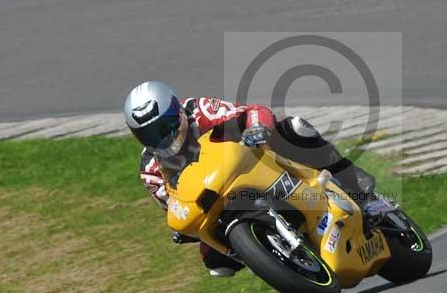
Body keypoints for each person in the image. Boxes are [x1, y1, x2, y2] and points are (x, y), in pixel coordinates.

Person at [123, 81, 380, 277]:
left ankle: (357, 189)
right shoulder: (151, 170)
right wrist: (182, 231)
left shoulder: (199, 111)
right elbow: (174, 206)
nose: (161, 138)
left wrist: (256, 128)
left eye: (163, 126)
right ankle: (278, 259)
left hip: (254, 162)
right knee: (215, 261)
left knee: (294, 128)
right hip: (218, 202)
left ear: (177, 111)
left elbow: (251, 112)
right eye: (148, 134)